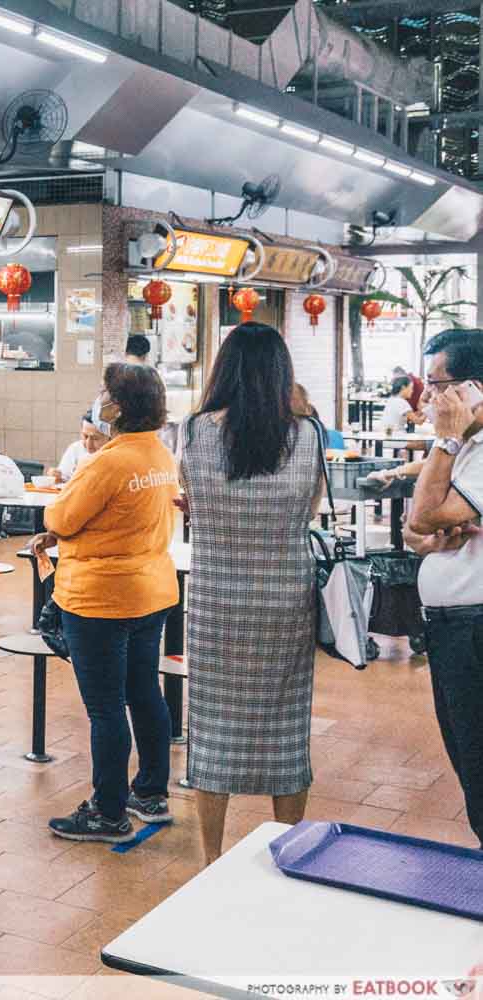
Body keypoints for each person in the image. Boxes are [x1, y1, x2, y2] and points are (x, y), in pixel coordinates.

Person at [180, 323, 324, 862]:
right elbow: (309, 512)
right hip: (286, 601)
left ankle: (209, 856)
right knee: (286, 726)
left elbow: (193, 501)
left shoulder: (194, 433)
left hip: (217, 601)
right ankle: (287, 848)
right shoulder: (307, 436)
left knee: (213, 724)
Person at [33, 363, 178, 841]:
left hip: (100, 598)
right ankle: (151, 792)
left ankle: (108, 811)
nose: (100, 399)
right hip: (151, 590)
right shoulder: (159, 455)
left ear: (118, 407)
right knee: (144, 691)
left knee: (106, 706)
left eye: (105, 393)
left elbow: (61, 514)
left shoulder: (109, 462)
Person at [404, 328, 483, 846]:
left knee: (477, 760)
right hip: (454, 626)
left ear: (473, 388)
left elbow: (427, 512)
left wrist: (445, 438)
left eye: (438, 386)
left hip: (473, 626)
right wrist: (422, 533)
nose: (428, 399)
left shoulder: (470, 447)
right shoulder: (469, 447)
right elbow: (417, 528)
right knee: (467, 755)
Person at [47, 413, 108, 482]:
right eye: (85, 436)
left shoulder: (114, 454)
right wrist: (56, 477)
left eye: (95, 438)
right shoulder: (76, 448)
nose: (88, 444)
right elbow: (63, 479)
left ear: (109, 437)